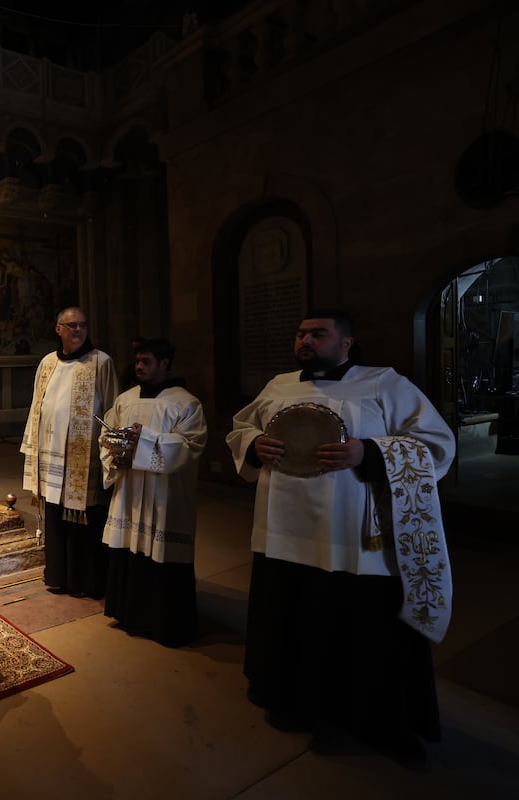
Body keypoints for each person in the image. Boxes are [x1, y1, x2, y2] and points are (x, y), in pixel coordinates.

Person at [226, 309, 455, 767]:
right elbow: (240, 427)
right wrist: (252, 444)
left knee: (361, 629)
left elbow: (435, 442)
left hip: (353, 542)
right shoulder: (280, 385)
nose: (305, 341)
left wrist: (368, 451)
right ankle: (294, 701)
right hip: (283, 536)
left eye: (318, 333)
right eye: (301, 333)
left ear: (346, 343)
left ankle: (372, 717)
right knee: (292, 618)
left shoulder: (383, 382)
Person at [99, 338, 208, 646]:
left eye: (146, 361)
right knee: (130, 548)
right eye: (137, 361)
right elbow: (107, 436)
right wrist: (115, 449)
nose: (139, 366)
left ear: (165, 364)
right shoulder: (125, 398)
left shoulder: (186, 402)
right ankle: (129, 613)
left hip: (165, 496)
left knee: (161, 552)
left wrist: (146, 439)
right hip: (130, 490)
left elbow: (191, 445)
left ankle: (164, 622)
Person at [20, 307, 120, 598]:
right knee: (55, 516)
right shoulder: (47, 363)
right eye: (71, 325)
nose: (77, 330)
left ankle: (86, 581)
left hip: (83, 459)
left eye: (82, 325)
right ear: (58, 329)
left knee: (84, 518)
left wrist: (111, 451)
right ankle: (58, 575)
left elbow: (113, 408)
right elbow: (37, 406)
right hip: (51, 455)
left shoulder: (101, 362)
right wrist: (31, 447)